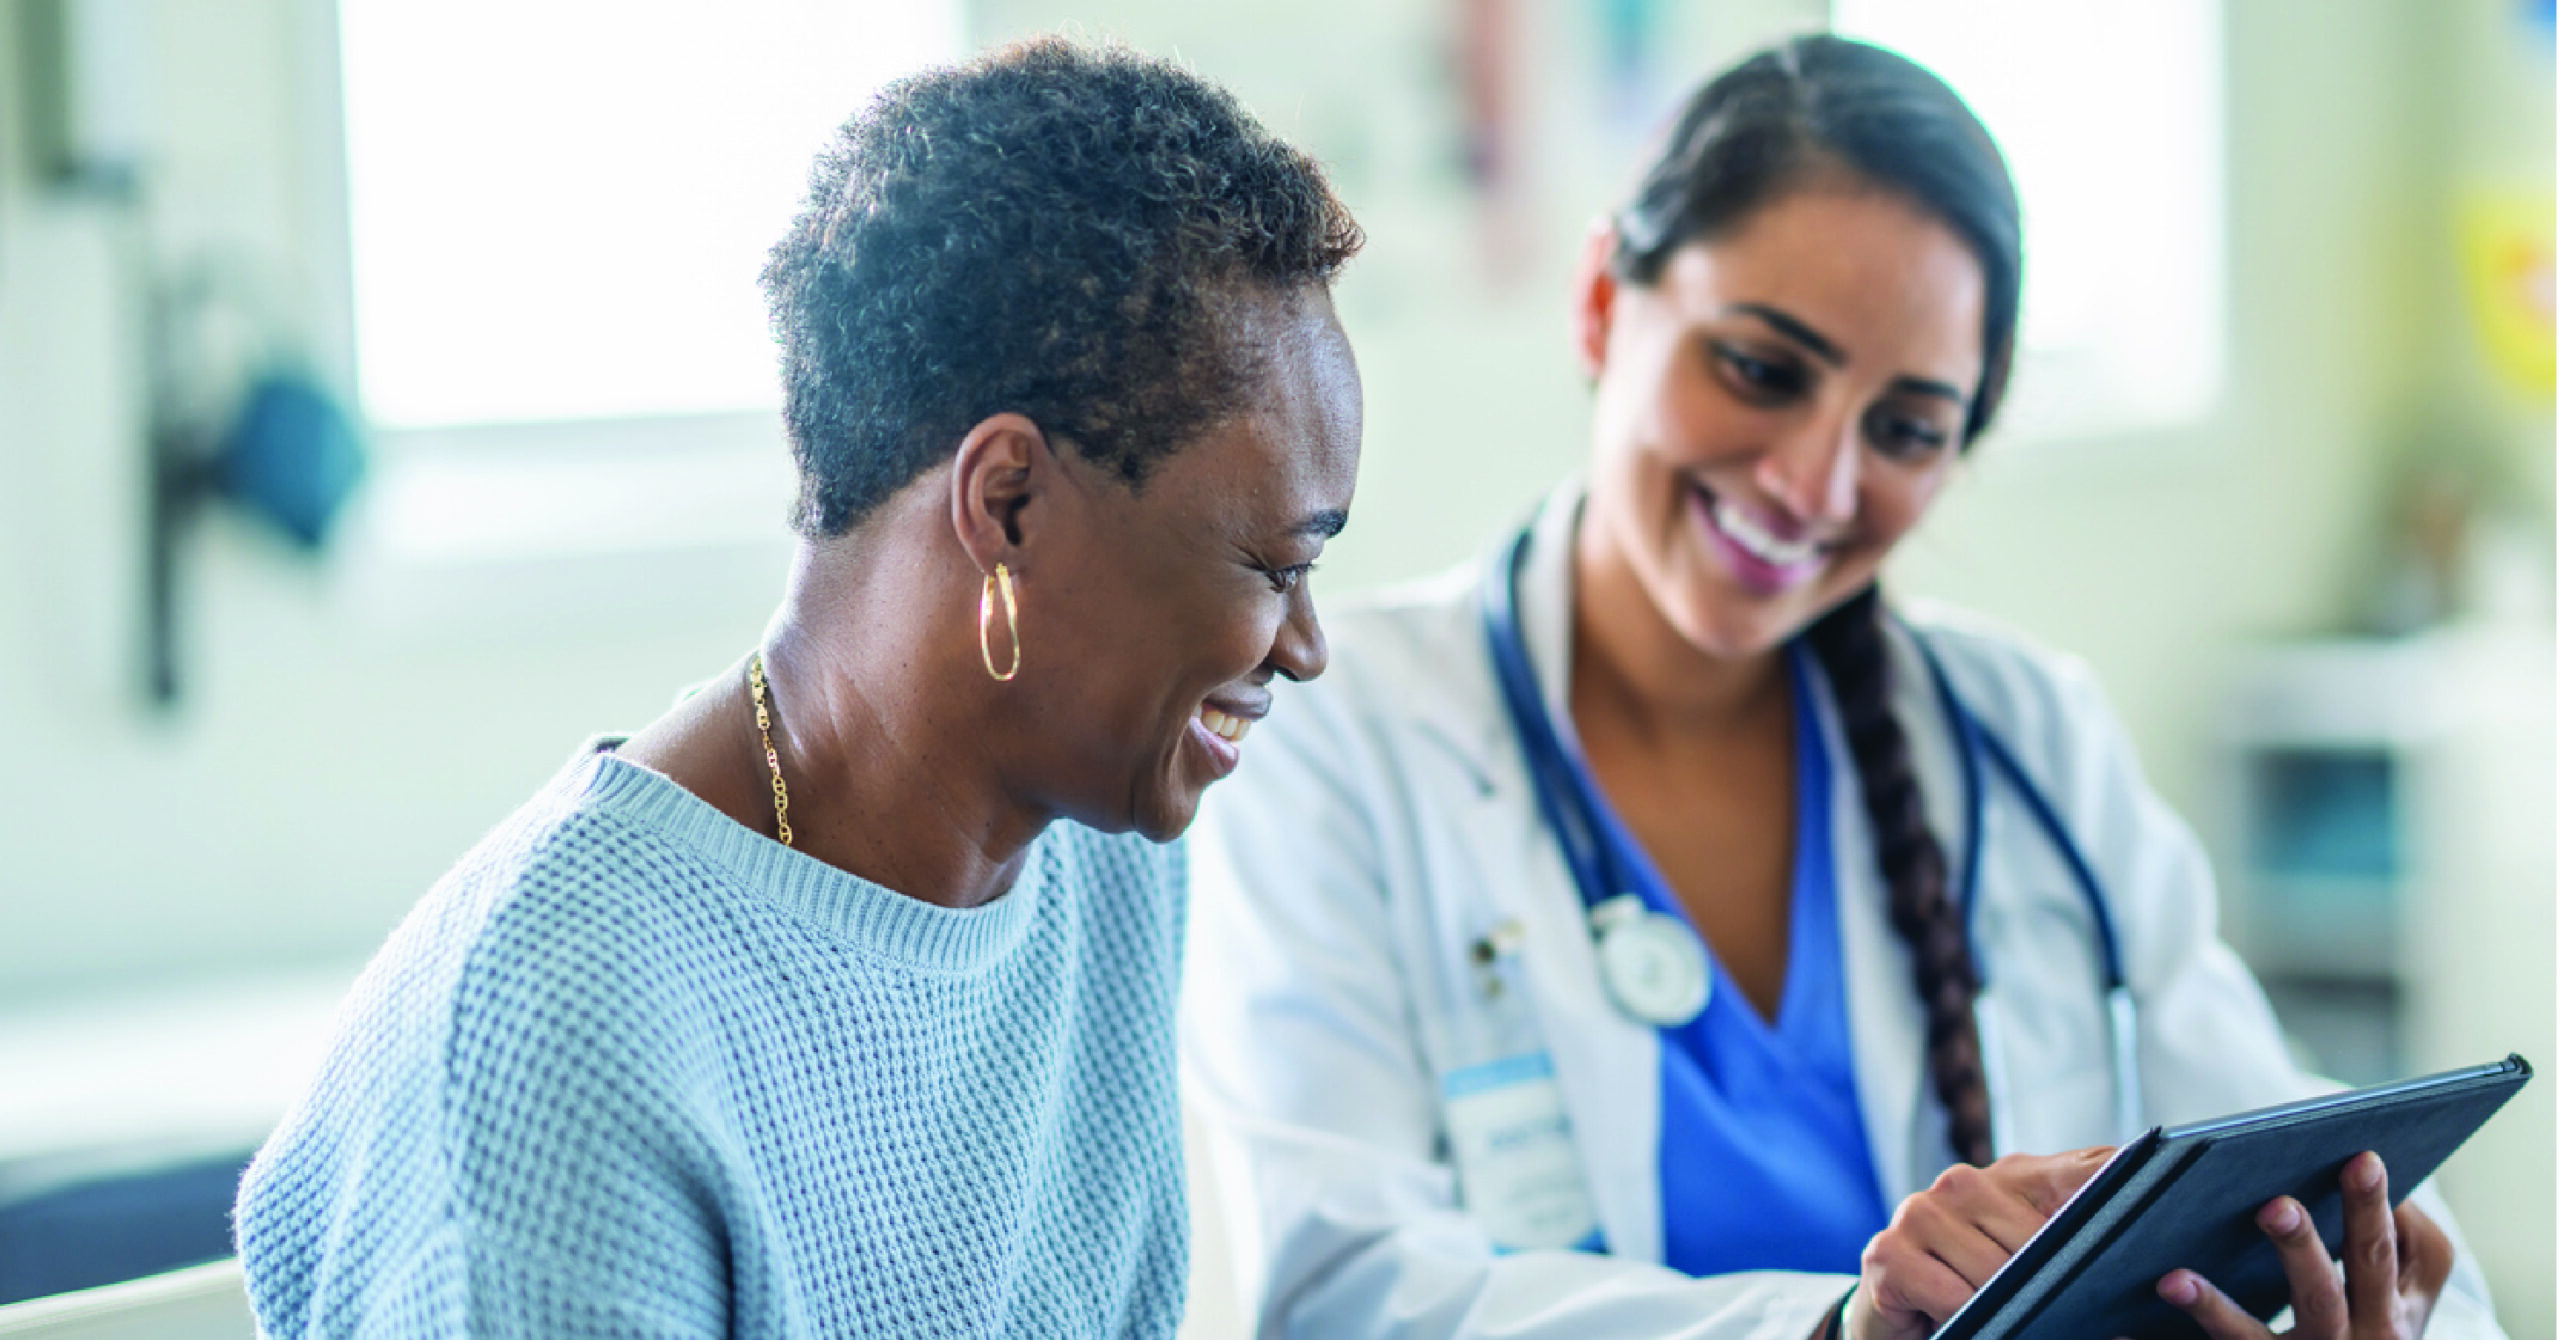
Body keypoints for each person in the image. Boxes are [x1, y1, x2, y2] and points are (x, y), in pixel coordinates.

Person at [1181, 34, 2503, 1340]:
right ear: (1601, 301)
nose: (1815, 482)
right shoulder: (1340, 737)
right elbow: (1348, 1286)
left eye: (1907, 429)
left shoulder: (2023, 735)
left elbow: (2267, 1145)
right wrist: (1834, 1333)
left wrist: (2375, 1291)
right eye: (1762, 368)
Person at [234, 38, 1363, 1337]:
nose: (1304, 645)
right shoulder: (569, 1026)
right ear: (1007, 505)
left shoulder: (1104, 852)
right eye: (1275, 565)